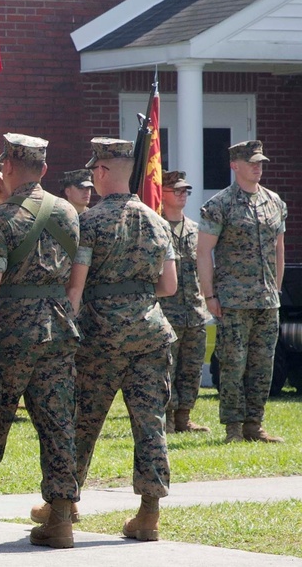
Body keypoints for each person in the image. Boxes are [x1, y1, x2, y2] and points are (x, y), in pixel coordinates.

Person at [0, 133, 81, 549]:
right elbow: (75, 282)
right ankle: (61, 518)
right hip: (59, 327)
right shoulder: (68, 212)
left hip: (10, 328)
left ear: (6, 167)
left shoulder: (1, 217)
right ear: (43, 170)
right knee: (58, 422)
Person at [68, 138, 177, 542]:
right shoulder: (157, 220)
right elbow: (169, 285)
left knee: (83, 421)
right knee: (150, 424)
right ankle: (149, 513)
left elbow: (75, 290)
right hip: (150, 334)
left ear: (99, 172)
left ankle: (64, 503)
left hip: (100, 336)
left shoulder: (89, 223)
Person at [197, 140, 287, 444]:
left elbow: (279, 250)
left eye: (260, 162)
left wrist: (276, 290)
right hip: (233, 300)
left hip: (266, 300)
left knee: (263, 364)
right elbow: (203, 253)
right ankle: (233, 426)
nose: (258, 167)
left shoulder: (274, 201)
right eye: (252, 162)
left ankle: (255, 424)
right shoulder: (220, 204)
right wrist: (210, 296)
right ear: (235, 165)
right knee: (233, 364)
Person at [159, 170, 211, 434]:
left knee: (191, 369)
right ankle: (167, 419)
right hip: (167, 313)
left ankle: (184, 418)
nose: (182, 195)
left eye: (185, 191)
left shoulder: (194, 228)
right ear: (162, 193)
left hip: (194, 311)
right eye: (176, 190)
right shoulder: (155, 227)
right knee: (167, 367)